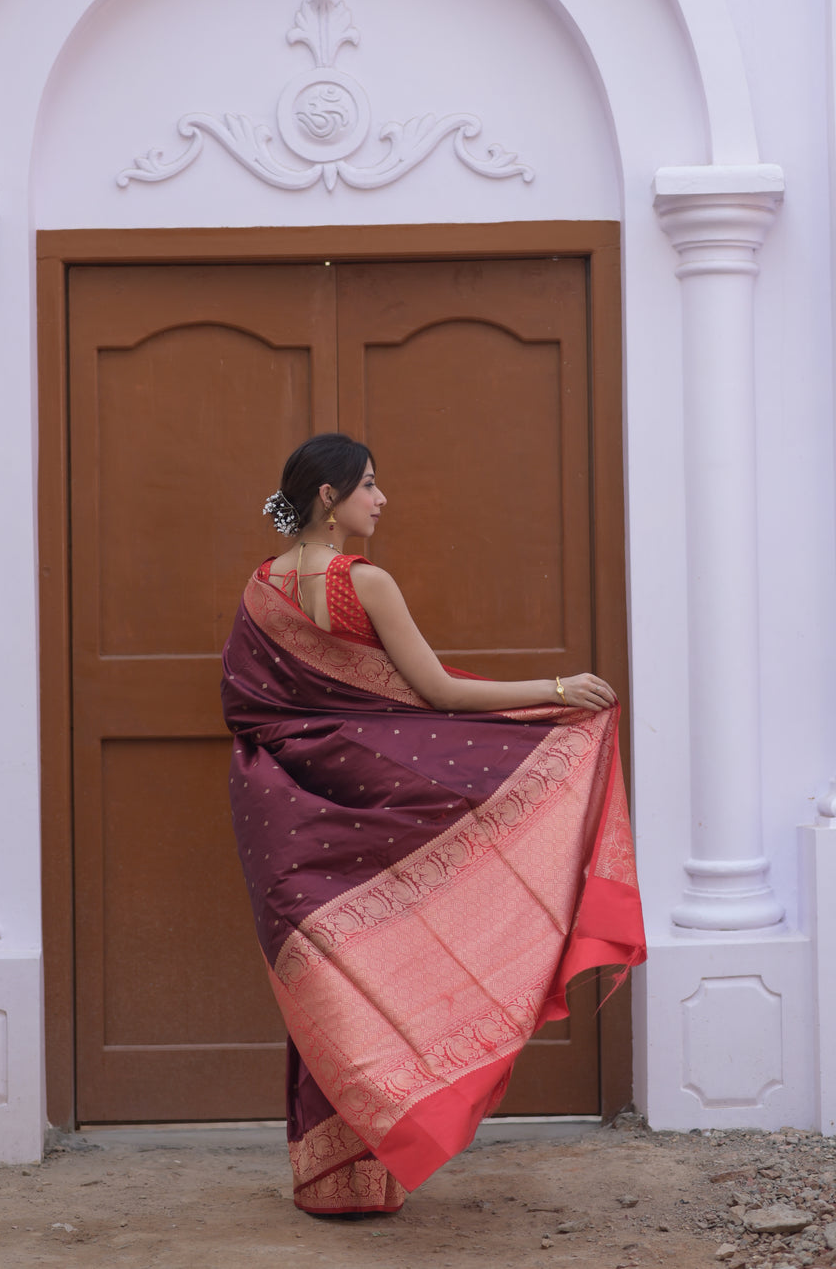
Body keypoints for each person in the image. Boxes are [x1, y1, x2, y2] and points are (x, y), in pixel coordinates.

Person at [221, 433, 645, 1216]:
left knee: (337, 985)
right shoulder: (364, 582)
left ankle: (337, 1179)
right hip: (360, 811)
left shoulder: (258, 590)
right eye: (371, 486)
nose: (381, 501)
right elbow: (440, 694)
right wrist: (556, 691)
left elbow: (251, 712)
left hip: (289, 824)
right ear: (329, 496)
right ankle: (372, 1161)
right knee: (382, 968)